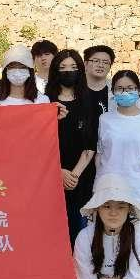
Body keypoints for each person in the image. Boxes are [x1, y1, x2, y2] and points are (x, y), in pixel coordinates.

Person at [95, 71, 140, 215]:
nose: (125, 92)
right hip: (107, 188)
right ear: (113, 91)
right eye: (120, 88)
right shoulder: (104, 119)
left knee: (139, 228)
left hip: (137, 190)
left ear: (138, 90)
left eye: (130, 88)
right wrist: (96, 185)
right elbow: (100, 155)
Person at [45, 49, 97, 246]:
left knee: (79, 234)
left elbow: (90, 144)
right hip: (51, 176)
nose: (69, 71)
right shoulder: (44, 101)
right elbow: (41, 143)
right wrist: (59, 171)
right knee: (53, 233)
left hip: (80, 178)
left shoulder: (89, 101)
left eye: (74, 67)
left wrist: (73, 176)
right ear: (55, 71)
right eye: (63, 67)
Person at [84, 45, 116, 114]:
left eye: (105, 62)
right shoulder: (74, 88)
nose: (101, 65)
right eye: (96, 61)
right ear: (85, 64)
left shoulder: (116, 90)